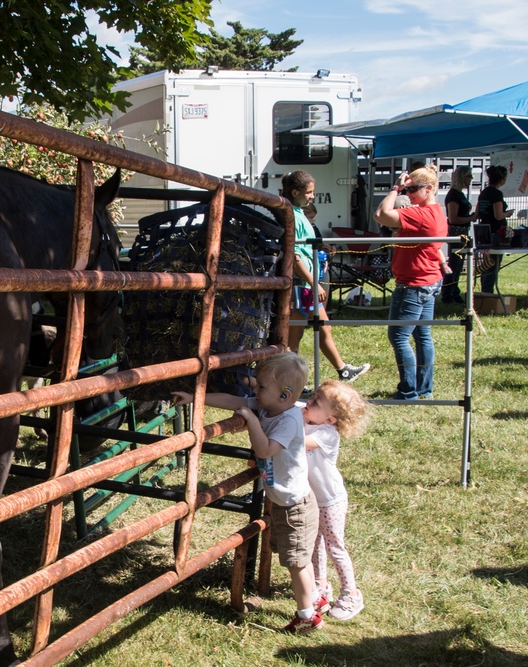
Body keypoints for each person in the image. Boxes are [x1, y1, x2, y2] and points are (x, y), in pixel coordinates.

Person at [176, 352, 326, 633]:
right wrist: (195, 397)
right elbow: (234, 401)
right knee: (294, 560)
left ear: (284, 395)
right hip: (285, 502)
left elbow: (265, 449)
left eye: (261, 388)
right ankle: (316, 599)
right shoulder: (269, 406)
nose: (254, 391)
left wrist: (249, 419)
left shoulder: (289, 421)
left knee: (297, 563)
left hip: (296, 506)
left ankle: (308, 616)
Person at [282, 171, 370, 384]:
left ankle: (343, 370)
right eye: (309, 192)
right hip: (301, 284)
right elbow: (294, 255)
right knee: (293, 339)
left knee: (324, 326)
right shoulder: (291, 215)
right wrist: (314, 283)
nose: (312, 196)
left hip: (307, 283)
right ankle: (289, 384)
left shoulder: (299, 213)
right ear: (296, 192)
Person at [374, 164, 447, 400]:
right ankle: (424, 388)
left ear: (428, 188)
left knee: (398, 336)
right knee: (422, 336)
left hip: (413, 285)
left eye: (413, 189)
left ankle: (408, 391)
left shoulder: (422, 215)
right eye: (406, 189)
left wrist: (395, 187)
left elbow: (381, 215)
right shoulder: (437, 212)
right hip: (428, 281)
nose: (409, 194)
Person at [303, 380, 370, 622]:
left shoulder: (326, 434)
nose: (308, 402)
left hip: (331, 500)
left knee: (334, 546)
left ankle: (351, 593)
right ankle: (320, 584)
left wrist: (287, 421)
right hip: (312, 497)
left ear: (331, 419)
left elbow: (296, 442)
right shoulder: (310, 420)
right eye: (311, 397)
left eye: (316, 402)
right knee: (315, 542)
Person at [441, 166, 479, 303]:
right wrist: (471, 218)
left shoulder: (460, 194)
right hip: (456, 233)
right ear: (462, 177)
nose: (471, 179)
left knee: (458, 265)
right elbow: (453, 219)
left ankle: (454, 291)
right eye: (469, 176)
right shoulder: (453, 195)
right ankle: (447, 293)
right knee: (454, 264)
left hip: (463, 232)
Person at [476, 165, 514, 294]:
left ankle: (485, 290)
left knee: (487, 264)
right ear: (502, 179)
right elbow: (498, 215)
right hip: (495, 233)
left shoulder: (484, 193)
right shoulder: (497, 194)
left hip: (483, 231)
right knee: (493, 264)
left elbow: (478, 213)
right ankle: (488, 292)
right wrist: (507, 213)